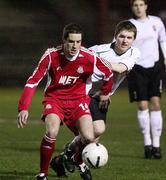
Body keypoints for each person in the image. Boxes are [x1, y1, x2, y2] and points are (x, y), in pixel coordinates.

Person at [17, 23, 114, 180]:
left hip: (78, 102)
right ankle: (43, 174)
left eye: (78, 42)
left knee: (89, 138)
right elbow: (33, 80)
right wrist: (23, 107)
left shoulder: (89, 57)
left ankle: (76, 160)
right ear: (63, 40)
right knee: (52, 131)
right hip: (55, 100)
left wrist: (105, 93)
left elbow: (108, 73)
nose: (75, 46)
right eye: (71, 41)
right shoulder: (51, 56)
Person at [50, 20, 140, 178]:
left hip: (102, 97)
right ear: (115, 36)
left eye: (129, 37)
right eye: (122, 36)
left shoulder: (134, 53)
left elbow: (120, 68)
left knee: (92, 136)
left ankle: (63, 158)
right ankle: (79, 163)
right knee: (96, 131)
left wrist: (94, 60)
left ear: (133, 39)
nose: (125, 40)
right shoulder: (99, 50)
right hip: (84, 93)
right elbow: (76, 54)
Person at [127, 0, 166, 159]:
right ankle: (147, 144)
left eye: (141, 4)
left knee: (155, 103)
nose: (138, 8)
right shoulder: (128, 24)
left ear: (146, 6)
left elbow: (163, 39)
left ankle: (156, 146)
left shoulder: (156, 22)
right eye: (135, 5)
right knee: (142, 104)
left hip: (155, 67)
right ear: (132, 8)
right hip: (137, 68)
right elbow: (121, 43)